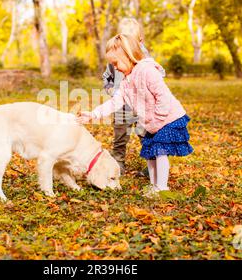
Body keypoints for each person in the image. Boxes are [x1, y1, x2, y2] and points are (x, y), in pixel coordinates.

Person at [78, 34, 193, 198]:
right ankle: (154, 186)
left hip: (168, 119)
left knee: (160, 151)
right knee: (150, 152)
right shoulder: (126, 81)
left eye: (116, 63)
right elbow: (114, 102)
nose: (115, 68)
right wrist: (93, 114)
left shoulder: (147, 71)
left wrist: (158, 119)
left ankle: (162, 188)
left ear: (128, 55)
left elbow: (163, 97)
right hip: (153, 123)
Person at [102, 18, 165, 176]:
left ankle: (153, 167)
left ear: (140, 41)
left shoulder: (143, 56)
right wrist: (110, 89)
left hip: (141, 106)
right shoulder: (114, 56)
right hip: (121, 106)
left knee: (145, 134)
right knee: (120, 137)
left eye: (131, 43)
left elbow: (156, 71)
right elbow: (107, 76)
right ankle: (118, 164)